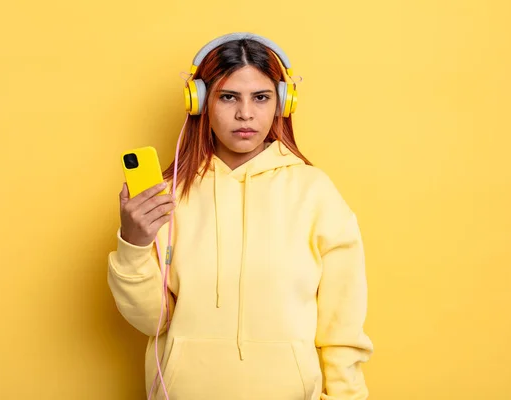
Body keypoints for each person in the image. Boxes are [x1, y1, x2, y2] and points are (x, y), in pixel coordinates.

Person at [107, 32, 374, 400]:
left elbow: (342, 327)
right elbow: (151, 320)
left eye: (260, 97)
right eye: (228, 96)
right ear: (199, 102)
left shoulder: (315, 192)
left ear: (282, 103)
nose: (245, 113)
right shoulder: (168, 195)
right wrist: (133, 244)